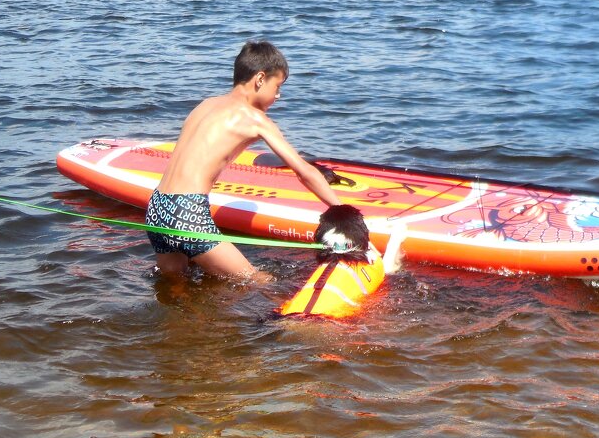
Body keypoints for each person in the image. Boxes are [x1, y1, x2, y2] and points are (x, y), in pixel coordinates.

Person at [146, 40, 342, 281]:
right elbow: (304, 172)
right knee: (257, 282)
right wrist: (344, 214)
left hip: (157, 207)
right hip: (187, 212)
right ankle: (294, 320)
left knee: (175, 285)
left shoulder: (205, 104)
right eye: (277, 86)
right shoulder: (255, 119)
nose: (278, 96)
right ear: (260, 79)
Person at [279, 204, 405, 318]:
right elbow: (386, 269)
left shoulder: (325, 264)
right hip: (330, 320)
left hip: (288, 317)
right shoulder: (370, 263)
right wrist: (396, 236)